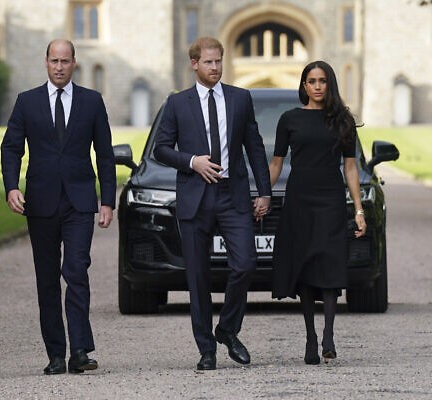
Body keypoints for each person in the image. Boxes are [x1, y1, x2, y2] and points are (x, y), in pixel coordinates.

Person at [154, 37, 271, 370]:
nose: (215, 67)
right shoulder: (177, 103)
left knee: (246, 263)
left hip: (232, 197)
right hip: (194, 197)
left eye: (219, 61)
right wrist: (192, 161)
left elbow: (255, 146)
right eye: (208, 62)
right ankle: (207, 349)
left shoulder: (240, 98)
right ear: (194, 64)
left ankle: (227, 330)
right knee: (198, 278)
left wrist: (263, 191)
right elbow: (161, 149)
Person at [0, 39, 116, 375]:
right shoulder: (27, 102)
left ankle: (79, 350)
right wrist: (11, 187)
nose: (60, 66)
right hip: (41, 201)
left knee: (77, 271)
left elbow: (105, 155)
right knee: (47, 279)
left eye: (66, 61)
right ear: (46, 62)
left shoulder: (92, 102)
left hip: (80, 202)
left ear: (74, 63)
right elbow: (11, 149)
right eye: (54, 60)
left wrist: (107, 200)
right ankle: (55, 353)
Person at [269, 60, 366, 365]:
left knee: (329, 263)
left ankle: (328, 335)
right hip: (299, 199)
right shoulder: (289, 119)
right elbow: (276, 164)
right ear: (304, 86)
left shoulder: (343, 121)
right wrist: (262, 194)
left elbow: (350, 168)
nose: (317, 86)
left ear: (330, 84)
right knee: (306, 267)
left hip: (331, 199)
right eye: (311, 81)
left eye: (322, 80)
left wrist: (359, 209)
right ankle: (310, 337)